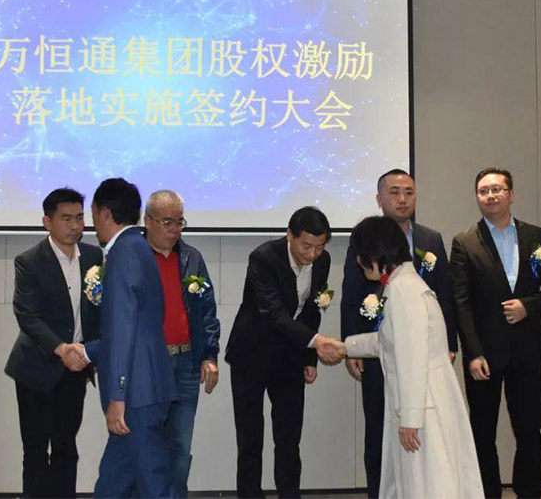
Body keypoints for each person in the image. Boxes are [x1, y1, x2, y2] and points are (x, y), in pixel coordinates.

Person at [343, 216, 483, 499]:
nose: (358, 261)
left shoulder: (403, 291)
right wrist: (345, 346)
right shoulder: (403, 284)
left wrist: (409, 418)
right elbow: (391, 342)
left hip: (422, 406)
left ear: (375, 254)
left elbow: (412, 357)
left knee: (428, 484)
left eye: (361, 254)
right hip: (423, 401)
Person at [450, 167, 541, 498]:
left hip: (527, 350)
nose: (490, 196)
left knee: (529, 430)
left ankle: (528, 492)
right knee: (482, 432)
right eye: (483, 191)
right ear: (477, 197)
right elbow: (461, 303)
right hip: (484, 355)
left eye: (497, 189)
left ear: (511, 195)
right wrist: (473, 353)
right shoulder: (464, 241)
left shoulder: (536, 236)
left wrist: (529, 305)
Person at [225, 206, 343, 498]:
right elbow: (273, 314)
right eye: (306, 246)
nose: (312, 254)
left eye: (319, 247)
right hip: (251, 355)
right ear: (289, 234)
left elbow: (313, 309)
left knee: (289, 438)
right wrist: (317, 342)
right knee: (250, 438)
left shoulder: (323, 260)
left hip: (291, 356)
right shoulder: (263, 258)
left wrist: (309, 358)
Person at [4, 188, 103, 499]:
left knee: (66, 447)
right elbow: (27, 316)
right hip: (36, 368)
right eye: (66, 218)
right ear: (47, 221)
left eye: (79, 218)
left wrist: (87, 352)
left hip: (75, 368)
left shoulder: (94, 257)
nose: (75, 225)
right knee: (35, 450)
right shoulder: (30, 261)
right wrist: (62, 350)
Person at [83, 178, 177, 499]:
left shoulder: (124, 252)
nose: (93, 223)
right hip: (144, 388)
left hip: (136, 395)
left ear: (104, 213)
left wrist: (117, 396)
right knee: (112, 483)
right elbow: (145, 321)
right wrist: (87, 351)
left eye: (92, 214)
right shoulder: (138, 247)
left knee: (154, 484)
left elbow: (124, 329)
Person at [143, 189, 221, 498]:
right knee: (147, 445)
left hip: (187, 364)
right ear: (147, 221)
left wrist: (209, 355)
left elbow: (207, 311)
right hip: (149, 365)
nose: (175, 229)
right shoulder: (133, 257)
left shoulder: (192, 258)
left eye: (180, 222)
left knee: (180, 447)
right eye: (167, 222)